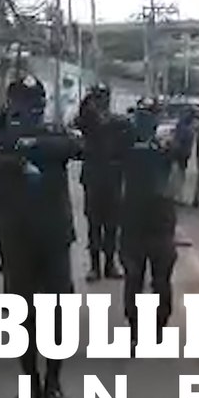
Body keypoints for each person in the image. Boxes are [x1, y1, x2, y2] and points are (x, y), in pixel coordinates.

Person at [0, 75, 84, 398]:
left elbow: (76, 147)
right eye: (23, 102)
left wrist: (29, 147)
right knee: (22, 315)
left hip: (54, 236)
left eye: (35, 102)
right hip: (17, 238)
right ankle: (30, 384)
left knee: (58, 313)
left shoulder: (52, 134)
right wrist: (25, 149)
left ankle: (53, 383)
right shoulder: (0, 137)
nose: (30, 108)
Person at [118, 97, 179, 341]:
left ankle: (143, 329)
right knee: (155, 278)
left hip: (141, 218)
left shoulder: (127, 143)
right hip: (154, 219)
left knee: (139, 277)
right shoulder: (160, 145)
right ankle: (151, 328)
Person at [73, 84, 126, 282]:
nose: (102, 102)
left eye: (104, 97)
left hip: (112, 178)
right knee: (94, 225)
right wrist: (86, 103)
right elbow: (77, 122)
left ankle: (110, 264)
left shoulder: (117, 122)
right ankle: (95, 266)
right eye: (98, 98)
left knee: (112, 225)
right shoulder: (88, 120)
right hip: (94, 178)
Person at [171, 109, 196, 204]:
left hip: (181, 154)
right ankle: (178, 196)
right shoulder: (186, 128)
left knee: (178, 175)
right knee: (179, 175)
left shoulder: (181, 126)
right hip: (182, 154)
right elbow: (181, 141)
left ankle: (177, 196)